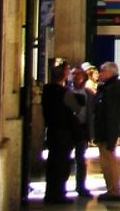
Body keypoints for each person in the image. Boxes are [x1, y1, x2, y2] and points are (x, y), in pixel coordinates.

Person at [94, 61, 120, 202]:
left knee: (110, 160)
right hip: (106, 131)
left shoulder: (114, 88)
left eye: (102, 71)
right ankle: (111, 188)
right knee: (107, 160)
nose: (100, 74)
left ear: (110, 72)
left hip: (108, 131)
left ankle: (114, 190)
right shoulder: (109, 87)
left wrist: (115, 134)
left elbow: (114, 114)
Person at [41, 61, 77, 204]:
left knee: (53, 162)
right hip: (63, 132)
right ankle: (58, 194)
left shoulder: (47, 90)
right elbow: (76, 108)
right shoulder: (64, 93)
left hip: (52, 130)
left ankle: (50, 193)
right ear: (64, 76)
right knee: (61, 164)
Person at [69, 65, 95, 198]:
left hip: (83, 128)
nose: (76, 77)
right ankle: (62, 186)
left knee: (81, 158)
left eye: (79, 75)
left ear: (84, 78)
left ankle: (81, 186)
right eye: (73, 74)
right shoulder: (67, 92)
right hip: (68, 129)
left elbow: (92, 113)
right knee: (66, 158)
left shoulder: (89, 94)